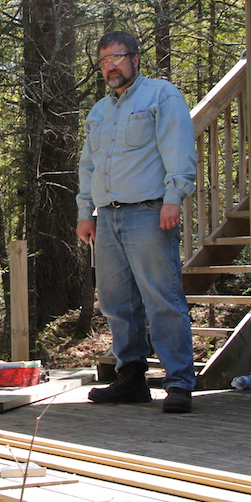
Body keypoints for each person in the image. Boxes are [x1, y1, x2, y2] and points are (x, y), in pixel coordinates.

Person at [76, 31, 197, 414]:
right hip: (107, 217)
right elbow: (88, 165)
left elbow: (178, 148)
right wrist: (85, 212)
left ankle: (178, 381)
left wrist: (174, 198)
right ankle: (131, 379)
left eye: (117, 57)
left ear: (136, 59)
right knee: (115, 302)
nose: (110, 65)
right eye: (104, 61)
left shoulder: (161, 95)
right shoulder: (99, 111)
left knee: (162, 297)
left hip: (150, 211)